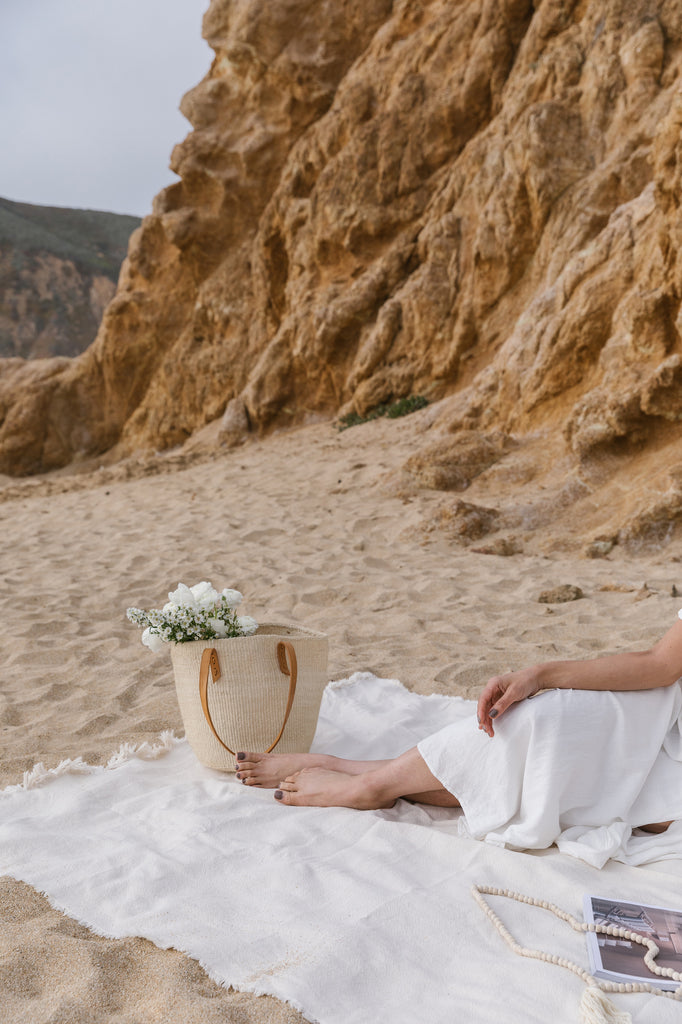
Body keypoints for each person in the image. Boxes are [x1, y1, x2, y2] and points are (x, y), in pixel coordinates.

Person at [234, 613, 682, 850]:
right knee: (544, 717)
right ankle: (363, 778)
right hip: (666, 711)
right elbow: (661, 664)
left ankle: (364, 780)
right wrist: (541, 674)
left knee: (557, 783)